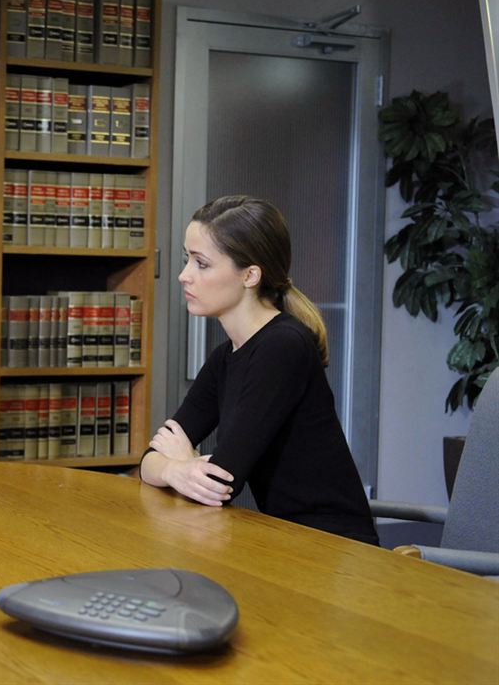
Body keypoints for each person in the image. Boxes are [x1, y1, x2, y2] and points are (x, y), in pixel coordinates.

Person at [137, 195, 378, 545]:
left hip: (336, 549)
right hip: (282, 540)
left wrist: (185, 467)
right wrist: (179, 468)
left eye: (201, 264)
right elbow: (150, 459)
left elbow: (220, 482)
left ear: (250, 275)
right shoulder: (225, 357)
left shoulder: (283, 347)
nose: (183, 275)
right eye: (186, 260)